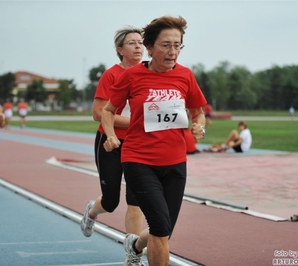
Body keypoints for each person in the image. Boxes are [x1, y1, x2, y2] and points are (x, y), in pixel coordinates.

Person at [101, 16, 207, 266]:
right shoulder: (131, 76)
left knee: (165, 228)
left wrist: (198, 125)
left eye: (177, 45)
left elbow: (198, 110)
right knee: (160, 227)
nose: (173, 52)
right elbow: (107, 111)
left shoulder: (185, 75)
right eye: (166, 45)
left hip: (175, 163)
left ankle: (135, 244)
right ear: (150, 48)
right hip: (139, 160)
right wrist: (111, 135)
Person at [80, 26, 145, 256]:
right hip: (111, 142)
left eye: (140, 42)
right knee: (111, 201)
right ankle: (92, 211)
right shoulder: (112, 75)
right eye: (132, 43)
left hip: (138, 145)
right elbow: (98, 112)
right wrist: (134, 121)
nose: (139, 46)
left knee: (135, 201)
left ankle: (133, 254)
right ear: (120, 49)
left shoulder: (149, 74)